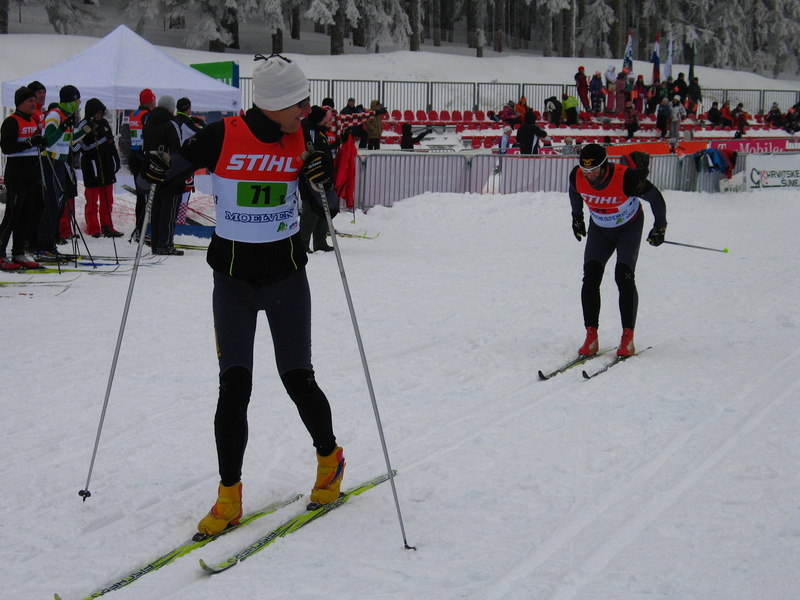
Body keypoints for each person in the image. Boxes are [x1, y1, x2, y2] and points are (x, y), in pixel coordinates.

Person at [142, 54, 346, 536]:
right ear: (274, 102)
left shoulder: (305, 138)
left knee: (298, 379)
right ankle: (229, 496)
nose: (307, 110)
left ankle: (330, 460)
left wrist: (321, 175)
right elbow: (166, 175)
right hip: (232, 283)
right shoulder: (221, 135)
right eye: (299, 103)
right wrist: (150, 167)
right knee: (234, 388)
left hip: (286, 279)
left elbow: (326, 198)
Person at [569, 143, 667, 358]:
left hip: (628, 228)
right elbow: (575, 193)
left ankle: (627, 337)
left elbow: (655, 198)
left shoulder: (626, 178)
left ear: (605, 166)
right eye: (585, 170)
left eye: (594, 170)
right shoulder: (577, 176)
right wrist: (577, 218)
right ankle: (591, 336)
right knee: (590, 277)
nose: (589, 175)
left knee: (623, 276)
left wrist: (660, 227)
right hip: (600, 229)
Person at [0, 87, 47, 270]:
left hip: (31, 173)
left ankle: (18, 252)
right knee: (13, 215)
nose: (34, 104)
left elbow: (33, 144)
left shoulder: (33, 120)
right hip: (17, 174)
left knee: (26, 216)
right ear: (20, 103)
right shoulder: (12, 121)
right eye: (30, 101)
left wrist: (40, 143)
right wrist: (28, 143)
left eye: (34, 100)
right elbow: (6, 148)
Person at [39, 84, 87, 257]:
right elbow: (48, 139)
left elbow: (70, 141)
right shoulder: (55, 115)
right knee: (52, 205)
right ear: (70, 101)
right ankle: (43, 246)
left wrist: (86, 130)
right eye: (77, 100)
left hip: (60, 162)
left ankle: (49, 244)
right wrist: (62, 127)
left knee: (58, 205)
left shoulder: (66, 116)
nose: (79, 103)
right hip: (51, 161)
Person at [75, 98, 122, 238]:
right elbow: (83, 147)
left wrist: (116, 159)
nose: (100, 115)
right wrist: (102, 141)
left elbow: (111, 142)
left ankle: (107, 227)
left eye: (102, 112)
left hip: (106, 165)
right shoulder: (84, 124)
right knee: (92, 200)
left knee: (108, 199)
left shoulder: (104, 123)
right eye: (98, 112)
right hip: (92, 166)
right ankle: (93, 228)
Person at [142, 94, 183, 255]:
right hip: (170, 172)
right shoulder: (171, 123)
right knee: (170, 208)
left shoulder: (149, 121)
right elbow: (178, 149)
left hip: (153, 170)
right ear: (172, 108)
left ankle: (156, 243)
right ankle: (165, 244)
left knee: (157, 208)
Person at [299, 105, 337, 253]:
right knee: (311, 209)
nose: (329, 122)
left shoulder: (319, 130)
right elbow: (312, 152)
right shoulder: (309, 131)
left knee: (325, 208)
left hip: (324, 176)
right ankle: (303, 243)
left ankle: (320, 241)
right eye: (326, 119)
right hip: (312, 177)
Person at [129, 88, 157, 241]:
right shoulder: (147, 115)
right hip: (142, 157)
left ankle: (139, 229)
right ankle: (143, 229)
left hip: (134, 155)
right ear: (151, 102)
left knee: (141, 195)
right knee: (146, 196)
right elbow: (149, 134)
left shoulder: (134, 114)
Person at [174, 97, 205, 225]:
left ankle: (174, 214)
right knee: (186, 189)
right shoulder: (186, 122)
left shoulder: (175, 119)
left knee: (175, 188)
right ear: (187, 108)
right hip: (185, 160)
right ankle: (180, 219)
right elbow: (200, 134)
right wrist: (202, 125)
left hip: (174, 159)